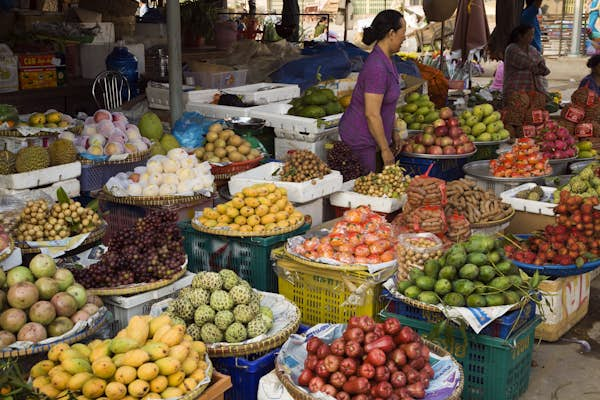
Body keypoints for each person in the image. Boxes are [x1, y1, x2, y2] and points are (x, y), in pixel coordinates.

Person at [338, 9, 406, 172]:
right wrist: (384, 149)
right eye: (403, 32)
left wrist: (394, 132)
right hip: (360, 139)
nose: (405, 37)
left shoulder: (388, 60)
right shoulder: (377, 67)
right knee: (366, 191)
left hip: (375, 138)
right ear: (391, 33)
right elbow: (372, 113)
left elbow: (388, 105)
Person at [503, 25, 549, 101]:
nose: (532, 37)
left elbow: (542, 64)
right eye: (529, 35)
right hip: (516, 90)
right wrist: (539, 65)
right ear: (520, 36)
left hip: (533, 90)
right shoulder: (512, 49)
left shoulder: (532, 49)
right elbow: (528, 63)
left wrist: (540, 65)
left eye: (532, 35)